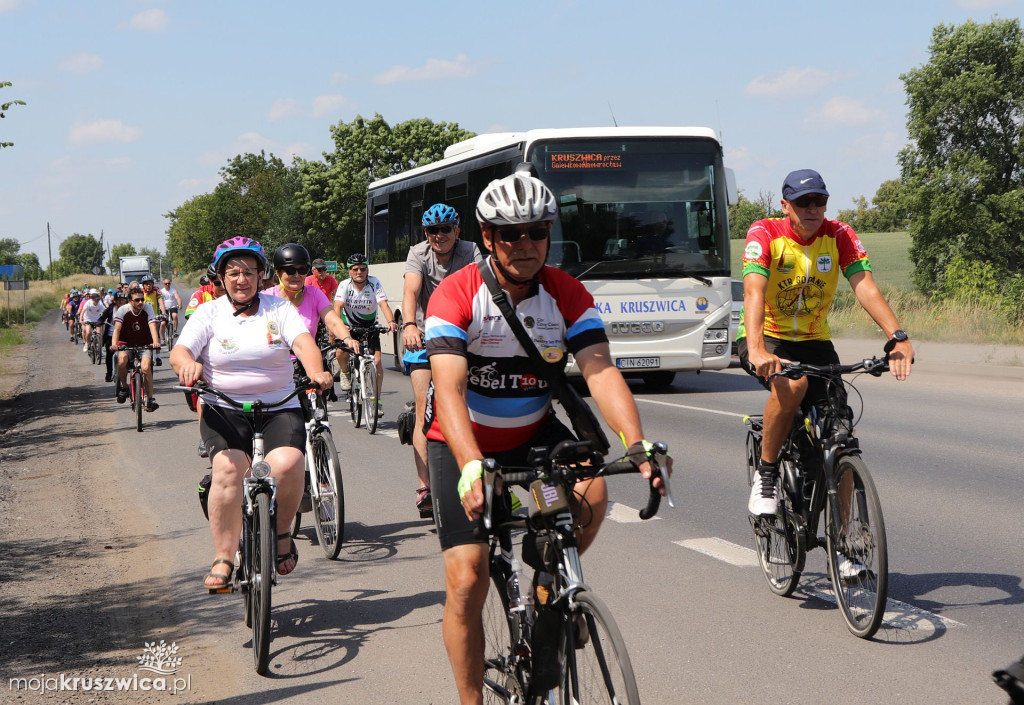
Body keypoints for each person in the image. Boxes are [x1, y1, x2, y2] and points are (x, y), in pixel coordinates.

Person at [424, 169, 670, 705]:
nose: (525, 244)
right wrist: (470, 466)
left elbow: (600, 369)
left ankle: (550, 591)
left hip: (534, 439)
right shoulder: (456, 293)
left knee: (590, 494)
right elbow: (449, 387)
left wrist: (637, 443)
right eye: (510, 234)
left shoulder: (565, 293)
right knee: (467, 579)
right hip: (461, 442)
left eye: (536, 231)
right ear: (487, 238)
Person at [739, 169, 914, 528]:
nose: (813, 208)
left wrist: (898, 337)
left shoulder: (839, 235)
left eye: (820, 201)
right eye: (803, 202)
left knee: (841, 435)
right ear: (785, 205)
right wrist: (757, 350)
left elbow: (864, 287)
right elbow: (753, 291)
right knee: (794, 384)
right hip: (767, 335)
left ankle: (847, 540)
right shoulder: (765, 232)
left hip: (815, 340)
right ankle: (767, 475)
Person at [170, 237, 333, 590]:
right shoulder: (209, 312)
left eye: (248, 272)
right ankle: (224, 556)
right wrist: (187, 366)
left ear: (262, 275)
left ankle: (281, 536)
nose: (241, 279)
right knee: (228, 470)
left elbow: (304, 343)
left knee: (289, 463)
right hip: (223, 407)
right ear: (221, 278)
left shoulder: (279, 309)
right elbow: (181, 350)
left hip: (279, 405)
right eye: (232, 273)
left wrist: (317, 371)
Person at [402, 203, 483, 518]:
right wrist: (409, 325)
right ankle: (426, 486)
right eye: (432, 231)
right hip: (424, 334)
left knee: (471, 404)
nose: (439, 236)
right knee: (424, 408)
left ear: (457, 231)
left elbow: (482, 289)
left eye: (445, 229)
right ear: (426, 234)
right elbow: (411, 292)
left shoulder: (471, 251)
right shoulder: (418, 254)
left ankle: (481, 476)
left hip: (464, 335)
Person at [268, 243, 356, 402]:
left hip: (307, 362)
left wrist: (347, 338)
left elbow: (332, 320)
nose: (296, 275)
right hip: (275, 366)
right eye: (290, 270)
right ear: (278, 272)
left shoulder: (314, 294)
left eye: (302, 270)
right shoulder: (267, 298)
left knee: (317, 413)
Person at [333, 253, 398, 416]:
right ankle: (345, 373)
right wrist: (338, 328)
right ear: (349, 271)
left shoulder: (374, 283)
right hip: (350, 327)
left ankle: (376, 399)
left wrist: (391, 321)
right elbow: (338, 306)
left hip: (370, 327)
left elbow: (383, 304)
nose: (359, 272)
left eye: (363, 268)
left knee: (377, 362)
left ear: (367, 269)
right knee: (341, 353)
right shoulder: (344, 285)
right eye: (355, 269)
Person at [111, 283, 161, 412]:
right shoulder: (123, 310)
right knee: (122, 361)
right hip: (126, 344)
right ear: (130, 301)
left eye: (142, 299)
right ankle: (124, 387)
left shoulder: (148, 308)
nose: (140, 302)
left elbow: (152, 326)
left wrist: (155, 342)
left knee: (145, 368)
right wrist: (114, 344)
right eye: (137, 300)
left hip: (144, 344)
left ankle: (150, 399)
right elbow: (117, 329)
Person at [98, 289, 127, 382]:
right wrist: (99, 321)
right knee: (109, 355)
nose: (121, 302)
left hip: (124, 335)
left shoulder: (128, 309)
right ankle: (109, 373)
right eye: (119, 300)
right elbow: (103, 317)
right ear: (115, 300)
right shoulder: (110, 309)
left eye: (123, 300)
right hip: (110, 335)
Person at [78, 289, 105, 354]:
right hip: (88, 319)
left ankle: (100, 350)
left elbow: (105, 311)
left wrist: (105, 319)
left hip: (96, 319)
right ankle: (87, 343)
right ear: (92, 299)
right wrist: (80, 319)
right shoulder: (88, 303)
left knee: (99, 334)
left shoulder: (100, 304)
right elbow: (82, 311)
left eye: (98, 300)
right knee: (88, 332)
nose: (97, 301)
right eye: (96, 300)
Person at [159, 277, 183, 342]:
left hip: (172, 307)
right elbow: (159, 300)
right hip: (164, 308)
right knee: (163, 324)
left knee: (175, 316)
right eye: (166, 284)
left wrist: (180, 305)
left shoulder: (173, 290)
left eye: (168, 283)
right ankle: (163, 339)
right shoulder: (161, 291)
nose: (167, 285)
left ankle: (175, 331)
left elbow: (178, 298)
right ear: (163, 284)